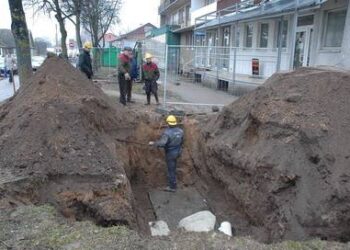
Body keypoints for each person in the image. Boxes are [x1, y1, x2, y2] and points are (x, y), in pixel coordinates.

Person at [149, 115, 184, 192]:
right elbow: (182, 141)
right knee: (173, 167)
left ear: (168, 123)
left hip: (171, 153)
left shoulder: (167, 133)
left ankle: (172, 187)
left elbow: (162, 143)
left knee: (171, 170)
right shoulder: (181, 131)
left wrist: (154, 143)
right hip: (178, 151)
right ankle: (174, 181)